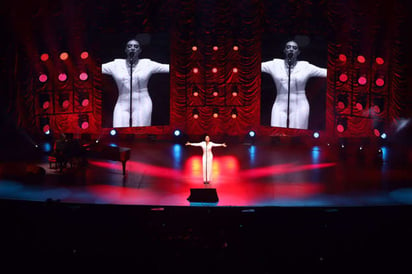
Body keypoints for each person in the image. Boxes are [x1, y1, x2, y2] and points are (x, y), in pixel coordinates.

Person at [102, 38, 169, 127]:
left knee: (139, 130)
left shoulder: (147, 64)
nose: (132, 48)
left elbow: (167, 67)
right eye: (129, 46)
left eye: (136, 46)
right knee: (118, 129)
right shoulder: (116, 65)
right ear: (126, 50)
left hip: (142, 102)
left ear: (139, 50)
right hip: (122, 102)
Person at [261, 40, 327, 129]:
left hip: (300, 104)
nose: (291, 49)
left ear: (298, 52)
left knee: (297, 133)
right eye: (288, 47)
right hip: (280, 103)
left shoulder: (305, 66)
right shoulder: (275, 64)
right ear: (285, 50)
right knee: (276, 131)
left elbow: (325, 72)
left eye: (294, 48)